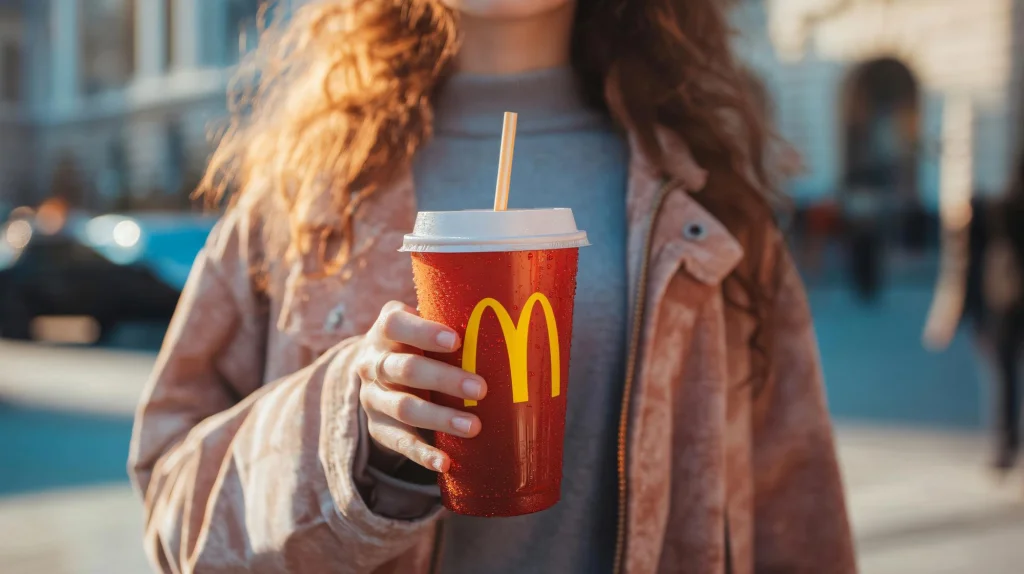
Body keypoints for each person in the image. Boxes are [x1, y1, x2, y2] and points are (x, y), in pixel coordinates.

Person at [128, 1, 855, 572]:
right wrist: (346, 433)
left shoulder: (712, 204)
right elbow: (169, 511)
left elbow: (800, 522)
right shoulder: (300, 196)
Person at [925, 145, 1024, 475]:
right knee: (1002, 371)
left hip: (1001, 298)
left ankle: (1005, 442)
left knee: (1003, 372)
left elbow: (967, 260)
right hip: (1002, 297)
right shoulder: (986, 202)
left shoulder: (983, 199)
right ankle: (1005, 441)